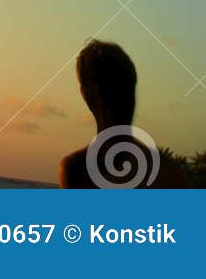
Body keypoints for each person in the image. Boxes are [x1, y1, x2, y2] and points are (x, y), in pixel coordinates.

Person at [59, 40, 183, 188]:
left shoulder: (76, 170)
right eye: (112, 91)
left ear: (86, 95)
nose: (122, 101)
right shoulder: (167, 172)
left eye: (125, 90)